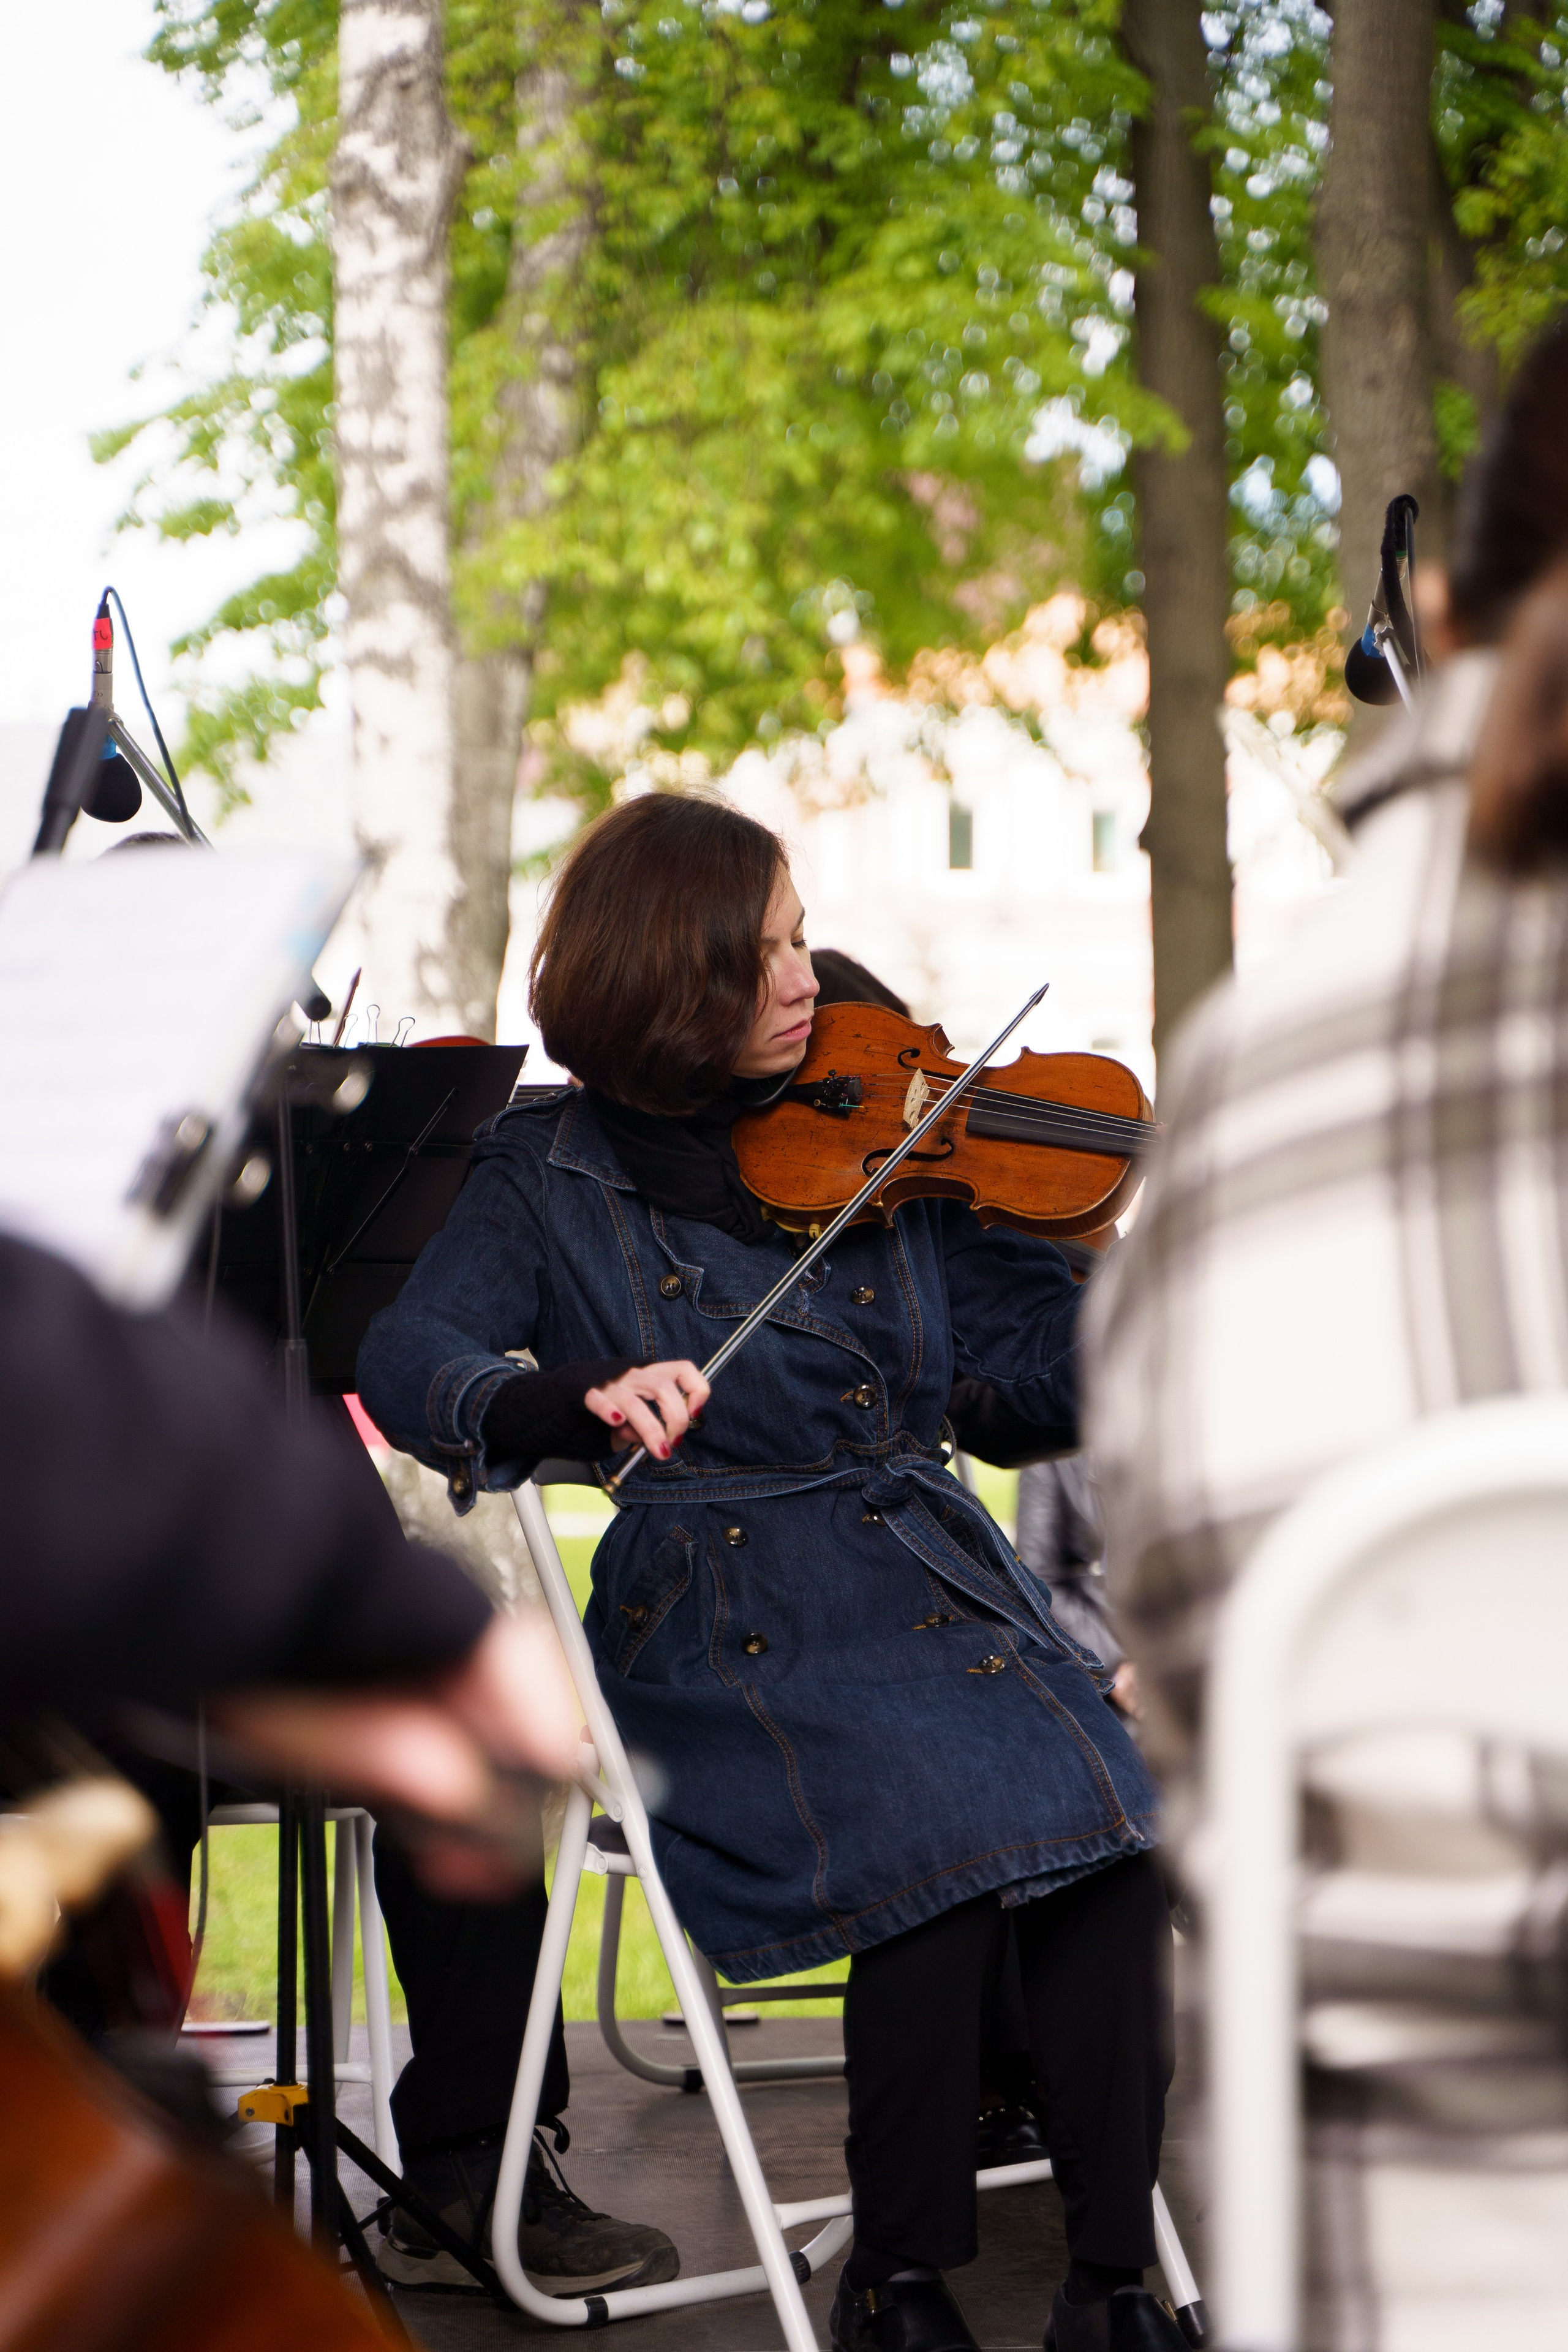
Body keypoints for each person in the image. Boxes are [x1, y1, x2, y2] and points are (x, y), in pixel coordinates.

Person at [358, 794, 1183, 2352]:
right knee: (931, 1849)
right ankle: (898, 2276)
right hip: (722, 1609)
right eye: (766, 955)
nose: (810, 981)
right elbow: (414, 1355)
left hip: (928, 1576)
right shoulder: (547, 1167)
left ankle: (1110, 2287)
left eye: (800, 938)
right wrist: (565, 1396)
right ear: (669, 977)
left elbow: (1020, 1380)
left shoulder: (897, 1141)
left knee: (1117, 1834)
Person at [1086, 315, 1568, 2345]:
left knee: (1077, 1804)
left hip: (1434, 2273)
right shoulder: (563, 1187)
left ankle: (1105, 2270)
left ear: (1441, 615)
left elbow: (1201, 1658)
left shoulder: (1255, 1067)